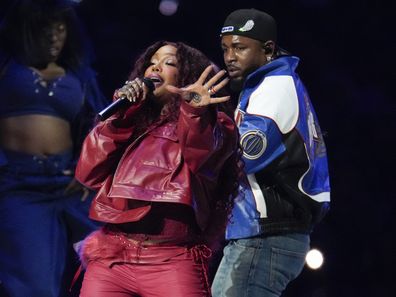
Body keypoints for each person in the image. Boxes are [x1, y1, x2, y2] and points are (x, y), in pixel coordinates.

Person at [74, 40, 240, 297]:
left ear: (188, 75)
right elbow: (88, 172)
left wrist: (195, 111)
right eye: (151, 63)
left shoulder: (215, 123)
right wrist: (121, 116)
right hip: (113, 259)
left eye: (169, 63)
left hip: (172, 261)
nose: (156, 68)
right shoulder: (129, 121)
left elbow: (202, 155)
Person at [211, 8, 331, 297]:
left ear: (268, 49)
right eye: (225, 48)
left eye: (239, 48)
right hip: (264, 234)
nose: (229, 57)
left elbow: (240, 158)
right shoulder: (269, 84)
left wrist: (197, 121)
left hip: (266, 234)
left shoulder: (274, 87)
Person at [0, 0, 107, 296]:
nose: (54, 36)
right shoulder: (7, 65)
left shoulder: (79, 75)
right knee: (35, 284)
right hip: (19, 185)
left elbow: (96, 131)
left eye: (60, 28)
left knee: (116, 263)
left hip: (72, 183)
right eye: (45, 28)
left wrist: (87, 171)